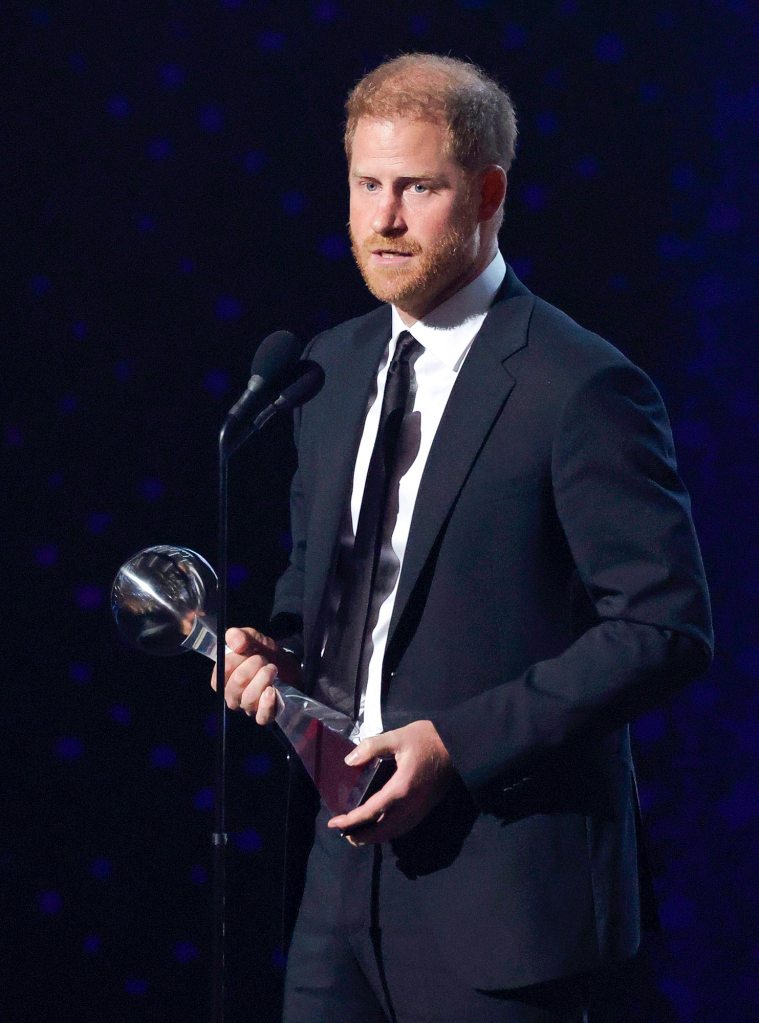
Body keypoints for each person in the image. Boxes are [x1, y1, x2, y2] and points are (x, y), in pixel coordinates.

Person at [213, 54, 713, 1023]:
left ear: (488, 193)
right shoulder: (331, 365)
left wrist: (456, 744)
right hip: (338, 880)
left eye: (417, 188)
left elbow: (666, 627)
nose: (384, 218)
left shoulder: (581, 387)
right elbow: (320, 582)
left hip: (507, 889)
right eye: (366, 185)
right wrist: (272, 647)